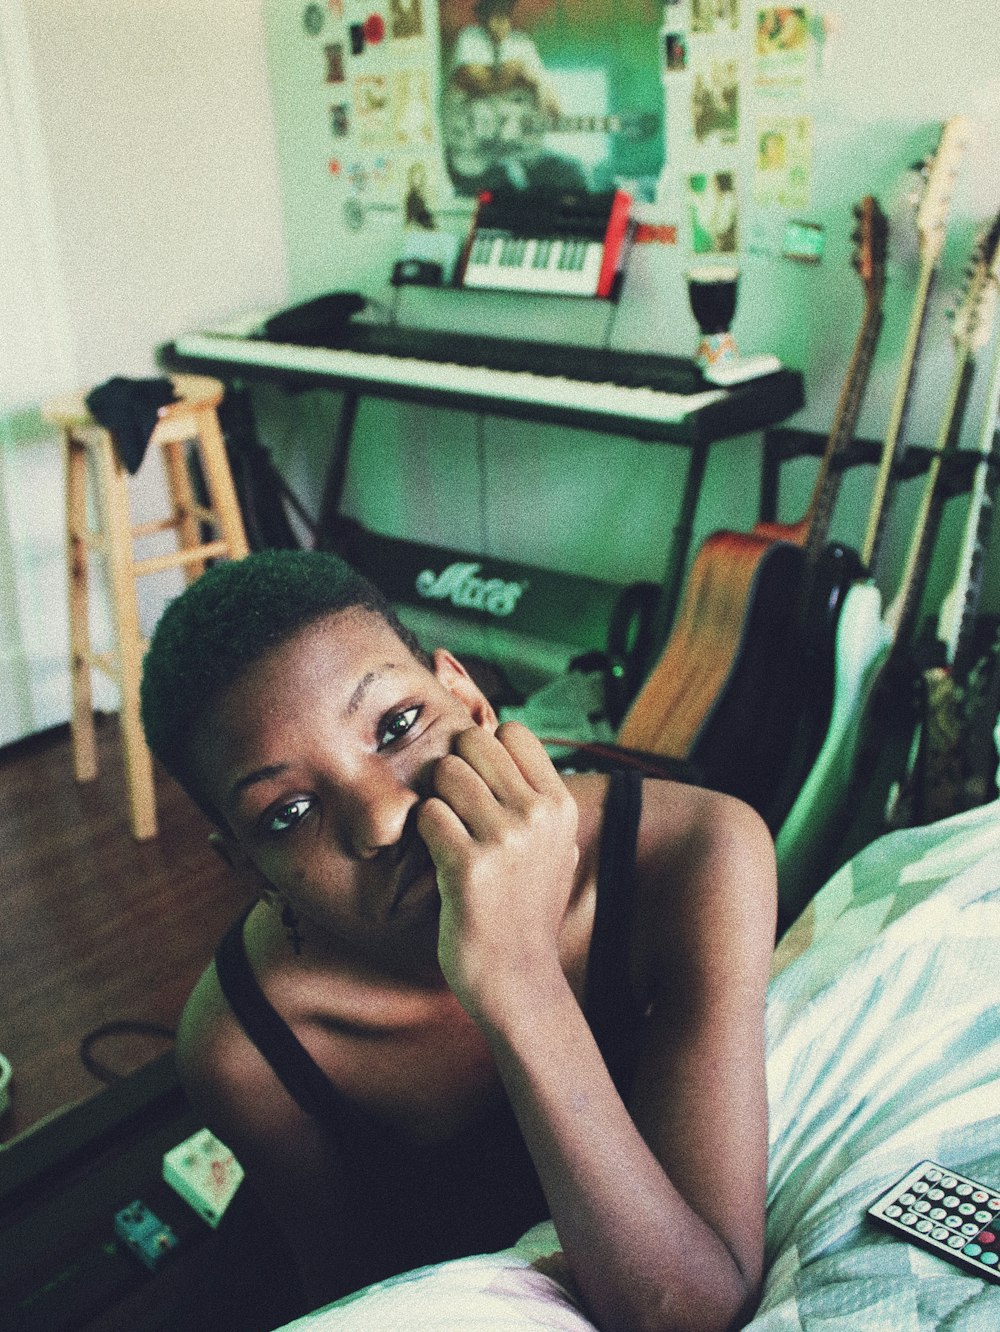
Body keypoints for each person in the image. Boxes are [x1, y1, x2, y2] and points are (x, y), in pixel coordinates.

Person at [140, 549, 776, 1332]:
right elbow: (358, 1298)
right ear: (248, 866)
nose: (381, 819)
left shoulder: (699, 855)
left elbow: (695, 1312)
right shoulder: (246, 1043)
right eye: (288, 813)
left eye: (399, 726)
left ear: (469, 700)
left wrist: (517, 979)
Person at [443, 0, 588, 194]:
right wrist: (517, 70)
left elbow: (550, 100)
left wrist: (541, 87)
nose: (500, 23)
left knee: (573, 174)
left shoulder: (521, 43)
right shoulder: (470, 39)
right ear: (483, 17)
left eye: (504, 15)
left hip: (520, 154)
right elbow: (479, 80)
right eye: (494, 16)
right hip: (475, 160)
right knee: (509, 186)